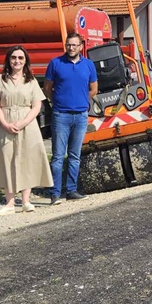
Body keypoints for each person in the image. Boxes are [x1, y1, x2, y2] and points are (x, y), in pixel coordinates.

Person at [0, 46, 53, 215]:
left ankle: (26, 200)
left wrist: (23, 122)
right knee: (7, 159)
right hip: (4, 122)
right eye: (14, 57)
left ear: (25, 61)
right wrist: (5, 124)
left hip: (27, 123)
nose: (17, 61)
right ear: (8, 59)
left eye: (21, 58)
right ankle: (9, 202)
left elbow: (37, 105)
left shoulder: (31, 80)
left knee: (26, 158)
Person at [43, 33, 98, 205]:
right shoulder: (55, 63)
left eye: (74, 45)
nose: (71, 48)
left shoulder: (88, 65)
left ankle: (71, 190)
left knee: (75, 156)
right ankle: (54, 193)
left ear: (81, 46)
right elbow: (47, 88)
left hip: (81, 116)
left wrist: (81, 101)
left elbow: (94, 89)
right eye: (68, 45)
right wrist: (57, 101)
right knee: (58, 156)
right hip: (61, 115)